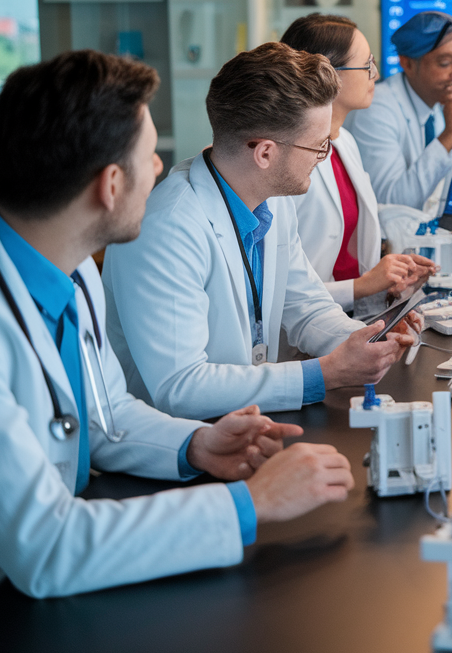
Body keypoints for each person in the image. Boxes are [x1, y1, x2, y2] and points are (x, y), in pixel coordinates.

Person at [0, 51, 356, 653]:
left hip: (51, 590)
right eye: (149, 156)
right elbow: (48, 545)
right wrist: (251, 503)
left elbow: (108, 413)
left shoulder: (72, 265)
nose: (163, 166)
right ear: (109, 186)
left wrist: (196, 445)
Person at [103, 43, 418, 421]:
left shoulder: (269, 197)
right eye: (319, 146)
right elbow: (180, 388)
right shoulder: (168, 228)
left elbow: (305, 303)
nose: (325, 157)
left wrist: (367, 339)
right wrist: (326, 373)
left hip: (240, 423)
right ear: (265, 153)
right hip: (175, 443)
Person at [278, 14, 435, 315]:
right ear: (328, 74)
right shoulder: (287, 159)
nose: (375, 75)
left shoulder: (343, 141)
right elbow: (278, 288)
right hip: (299, 337)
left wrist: (387, 281)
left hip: (347, 319)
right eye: (367, 66)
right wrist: (366, 285)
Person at [345, 11, 452, 210]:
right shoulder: (376, 110)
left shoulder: (435, 103)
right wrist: (450, 134)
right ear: (407, 63)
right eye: (445, 63)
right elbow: (392, 203)